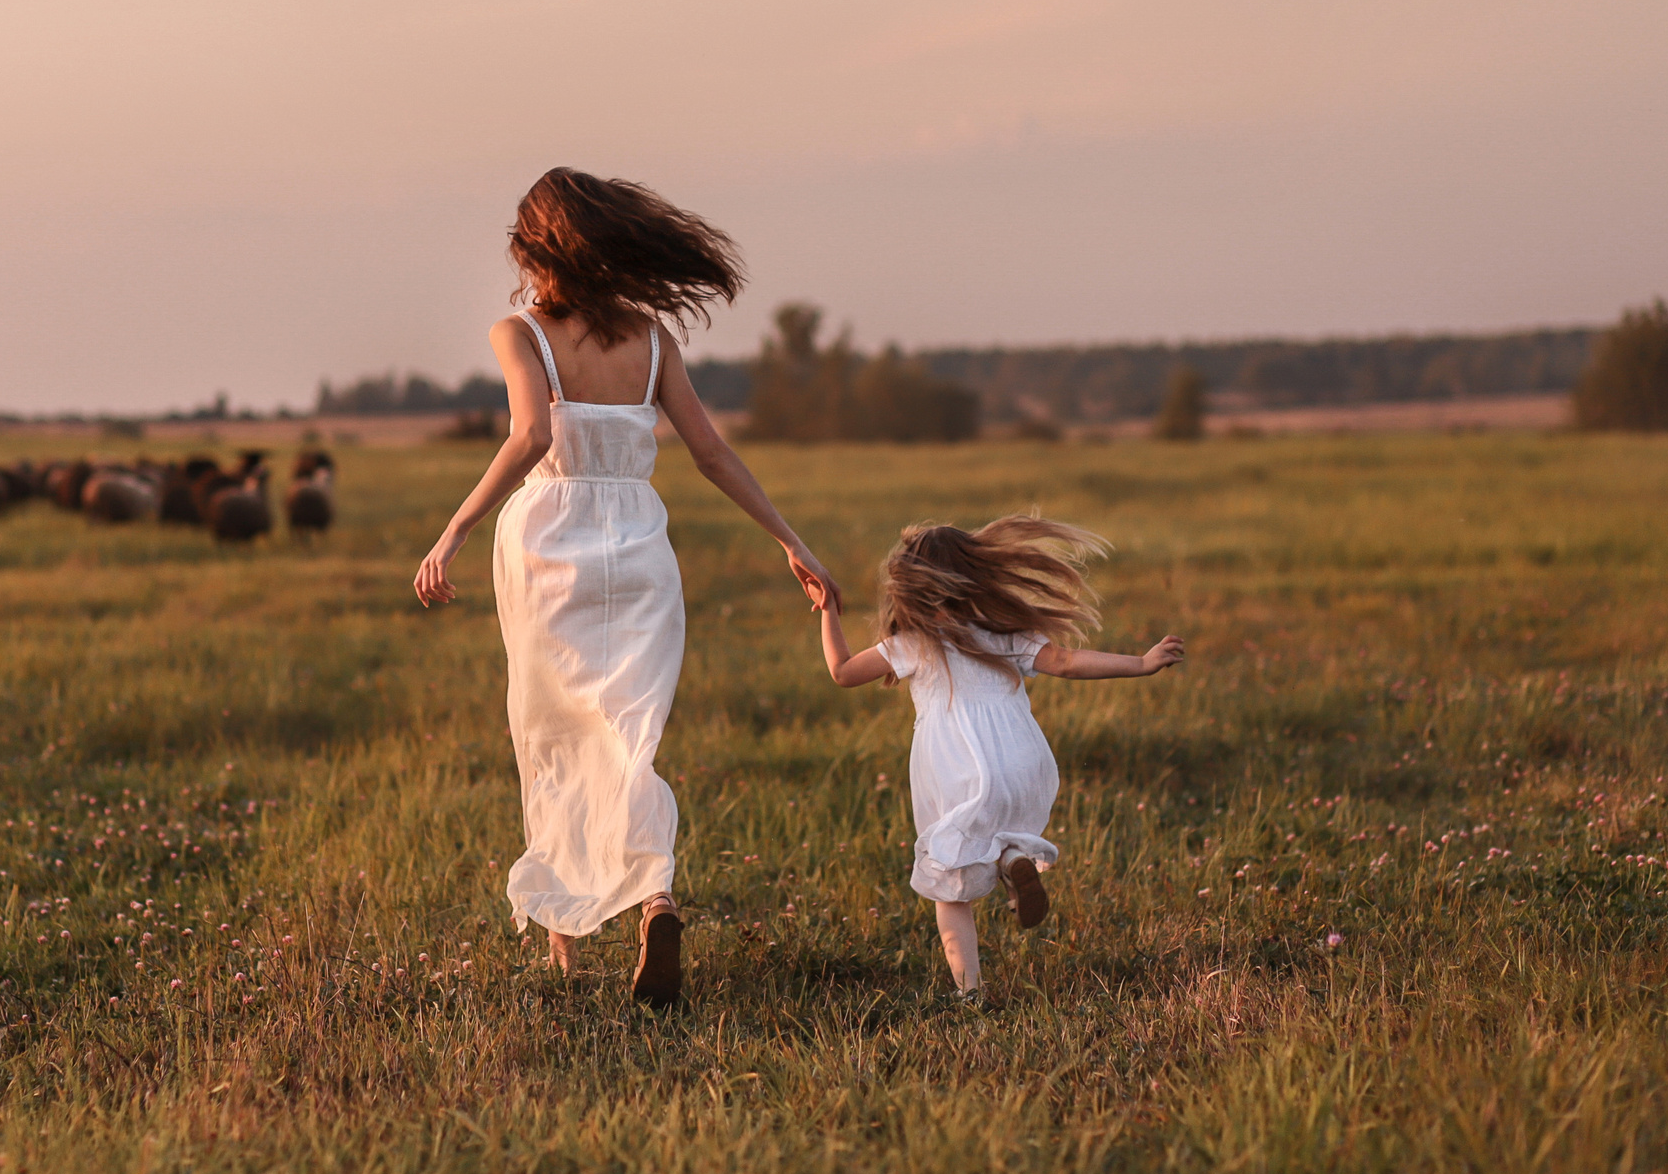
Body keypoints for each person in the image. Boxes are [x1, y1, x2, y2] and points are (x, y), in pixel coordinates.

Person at [415, 168, 841, 1005]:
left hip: (548, 547)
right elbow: (714, 455)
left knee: (551, 732)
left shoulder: (521, 333)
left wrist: (454, 527)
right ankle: (656, 896)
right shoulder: (651, 340)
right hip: (641, 545)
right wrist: (792, 540)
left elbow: (531, 432)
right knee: (627, 734)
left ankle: (564, 952)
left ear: (538, 248)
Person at [817, 516, 1185, 1004]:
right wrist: (1140, 663)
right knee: (996, 833)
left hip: (957, 766)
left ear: (910, 586)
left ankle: (971, 992)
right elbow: (1068, 663)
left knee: (950, 887)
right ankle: (1012, 859)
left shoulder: (912, 643)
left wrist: (826, 609)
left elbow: (842, 671)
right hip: (1020, 757)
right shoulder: (1004, 632)